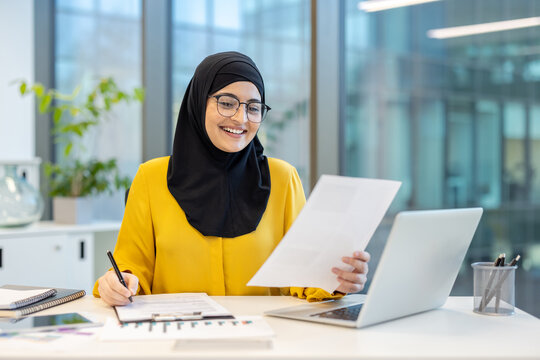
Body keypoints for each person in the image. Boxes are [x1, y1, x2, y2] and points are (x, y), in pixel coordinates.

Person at [94, 51, 370, 306]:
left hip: (269, 340)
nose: (241, 118)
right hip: (178, 337)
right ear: (198, 103)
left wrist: (337, 279)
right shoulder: (151, 178)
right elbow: (131, 268)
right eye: (227, 103)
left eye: (253, 107)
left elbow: (305, 275)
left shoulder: (283, 179)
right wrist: (117, 284)